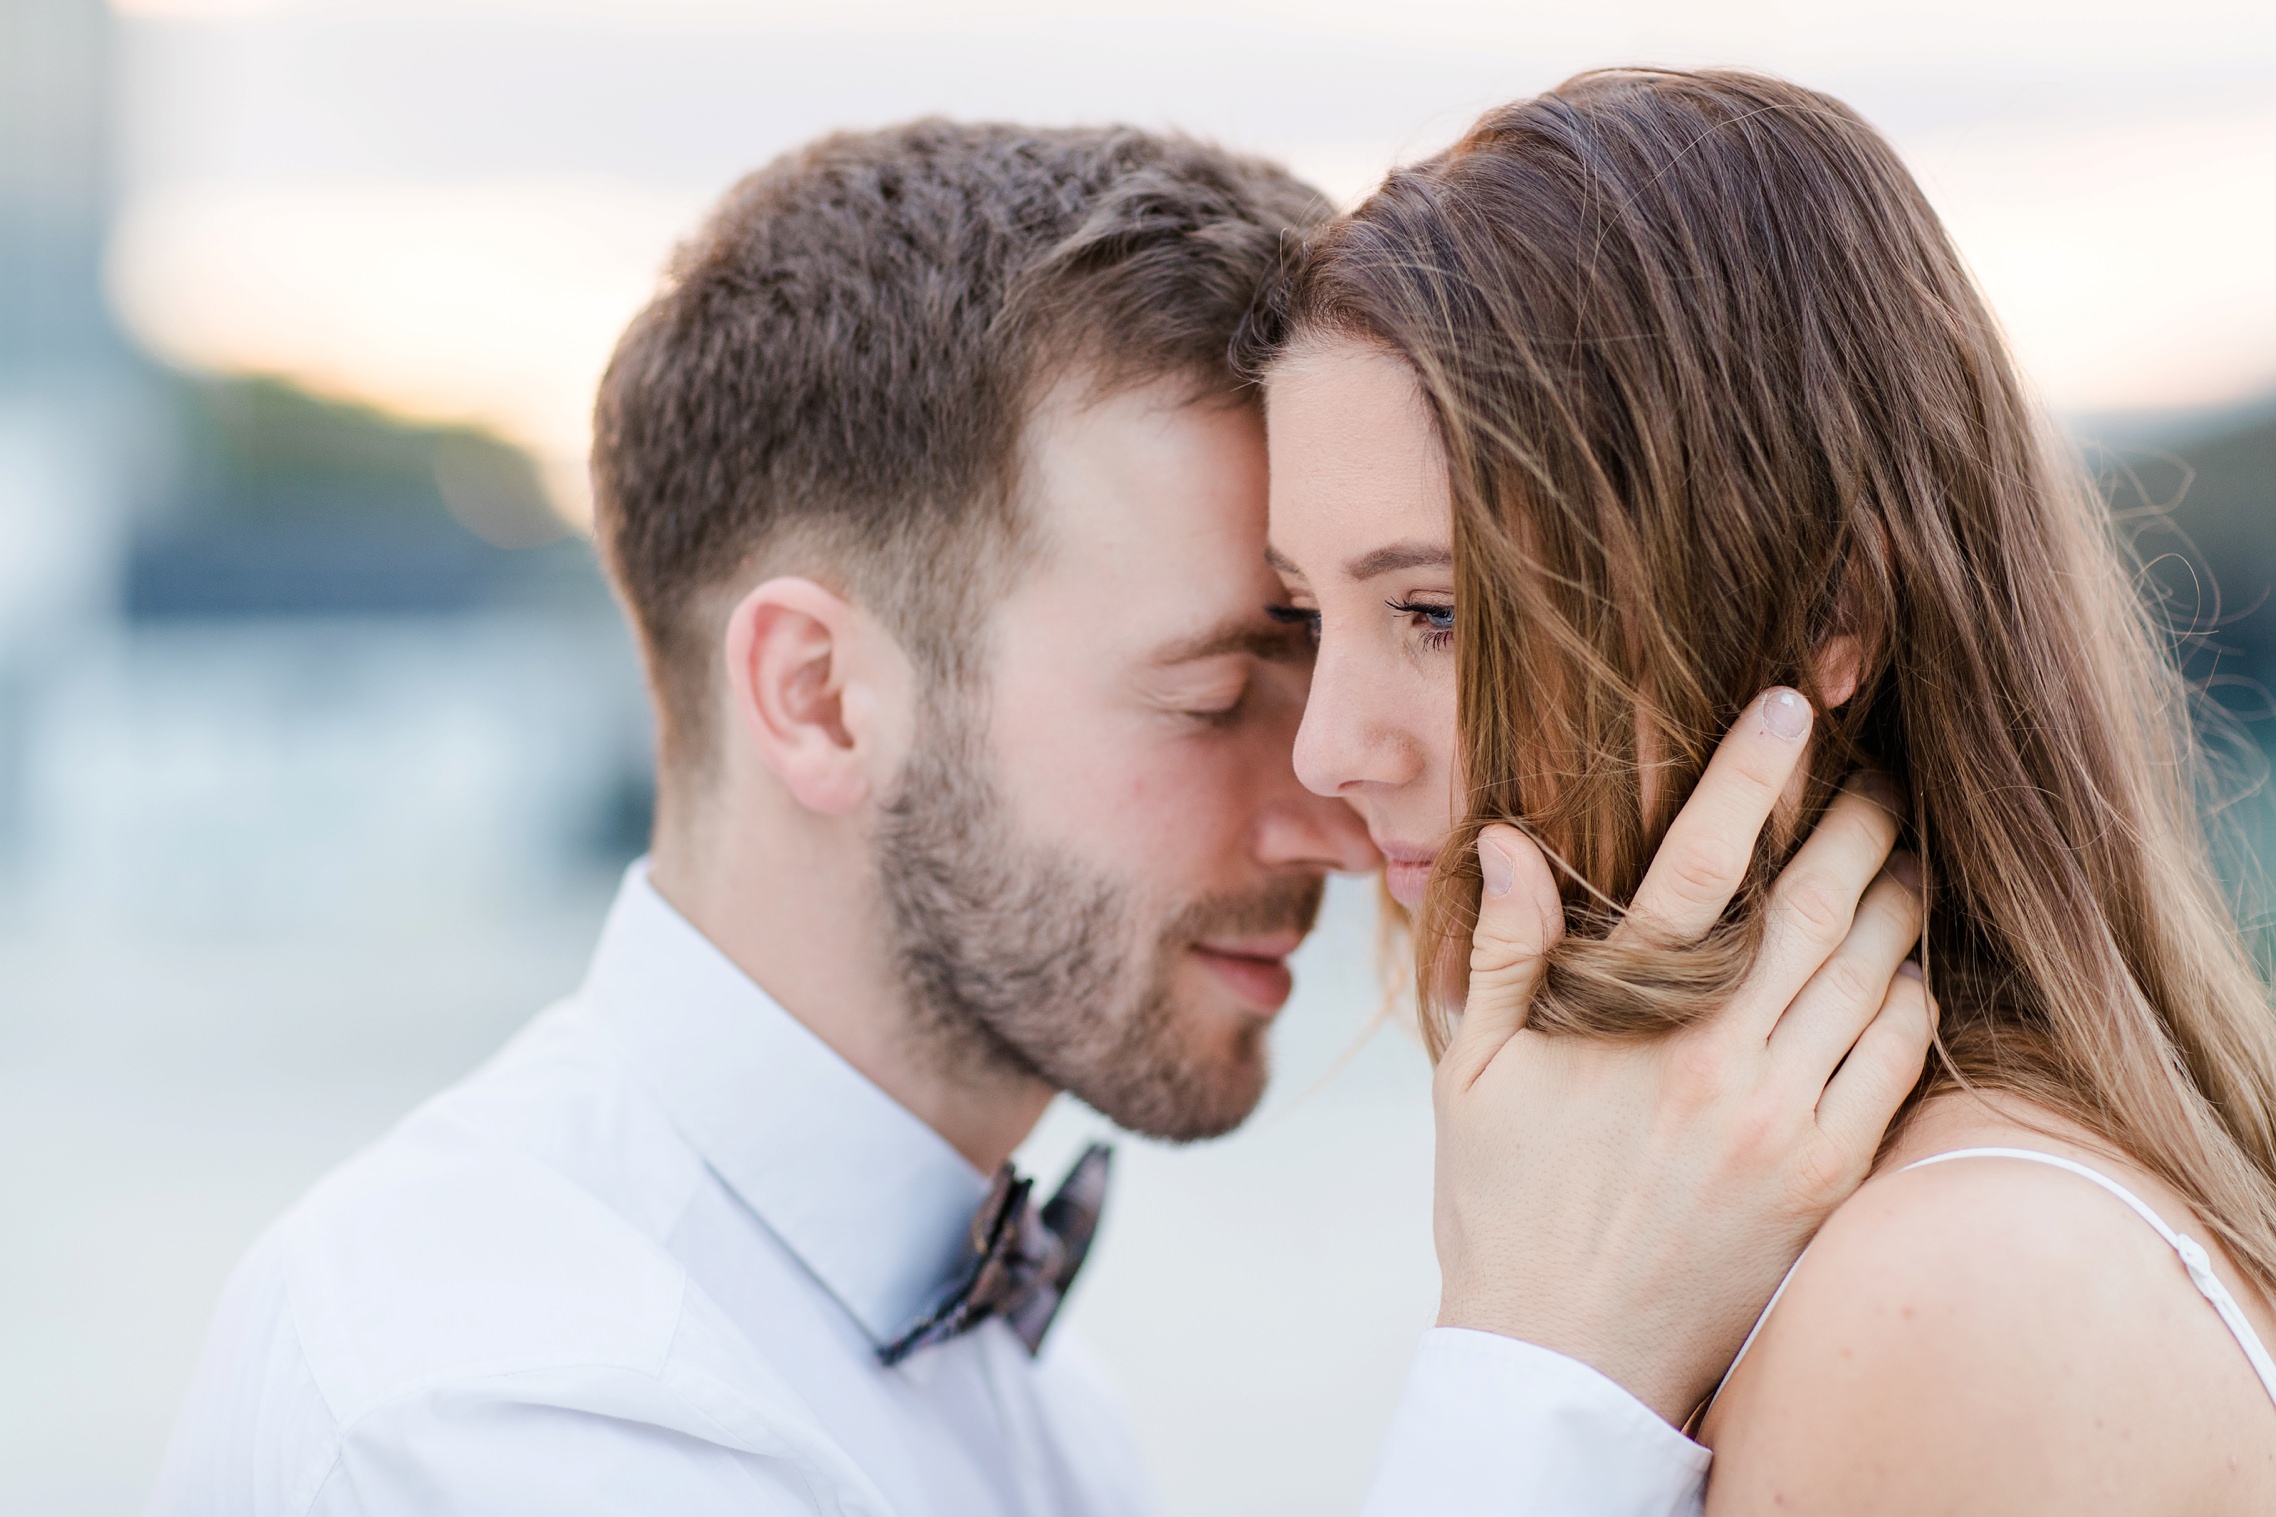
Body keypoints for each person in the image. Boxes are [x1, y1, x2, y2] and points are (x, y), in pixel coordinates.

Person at [148, 120, 1928, 1517]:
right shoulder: (506, 1406)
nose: (1331, 812)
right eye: (1225, 685)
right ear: (822, 698)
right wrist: (1556, 1355)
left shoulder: (1023, 1400)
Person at [1252, 67, 2276, 1515]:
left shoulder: (1955, 1296)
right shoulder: (1872, 1245)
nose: (1328, 747)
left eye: (1438, 614)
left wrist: (1535, 1359)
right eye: (1304, 617)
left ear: (1824, 611)